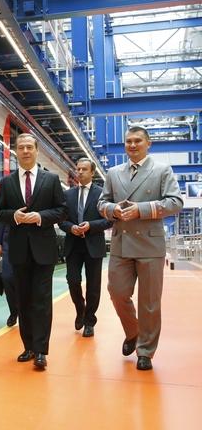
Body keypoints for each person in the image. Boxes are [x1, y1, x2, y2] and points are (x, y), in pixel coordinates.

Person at [98, 126, 183, 371]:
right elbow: (102, 202)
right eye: (128, 141)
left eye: (137, 141)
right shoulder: (114, 172)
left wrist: (141, 210)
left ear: (148, 144)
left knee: (149, 302)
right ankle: (133, 331)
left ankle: (145, 351)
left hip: (150, 244)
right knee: (117, 292)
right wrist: (113, 209)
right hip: (121, 243)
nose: (132, 145)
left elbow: (175, 202)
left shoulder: (161, 170)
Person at [0, 133, 67, 370]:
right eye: (21, 147)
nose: (25, 151)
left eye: (29, 147)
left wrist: (40, 217)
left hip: (43, 250)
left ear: (36, 151)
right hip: (18, 251)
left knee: (42, 300)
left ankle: (41, 350)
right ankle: (29, 347)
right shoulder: (7, 182)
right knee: (23, 300)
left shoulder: (51, 179)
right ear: (16, 152)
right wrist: (14, 216)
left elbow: (62, 210)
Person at [59, 158, 112, 338]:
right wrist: (71, 228)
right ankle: (80, 308)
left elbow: (109, 220)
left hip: (93, 245)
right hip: (73, 245)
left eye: (84, 169)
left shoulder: (102, 194)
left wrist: (90, 225)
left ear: (92, 172)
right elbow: (61, 220)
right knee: (72, 280)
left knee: (93, 286)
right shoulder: (68, 195)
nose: (80, 172)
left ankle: (89, 321)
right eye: (78, 169)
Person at [0, 222, 18, 327]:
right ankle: (13, 312)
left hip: (27, 240)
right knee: (7, 277)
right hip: (7, 241)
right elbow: (2, 219)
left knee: (24, 281)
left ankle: (24, 312)